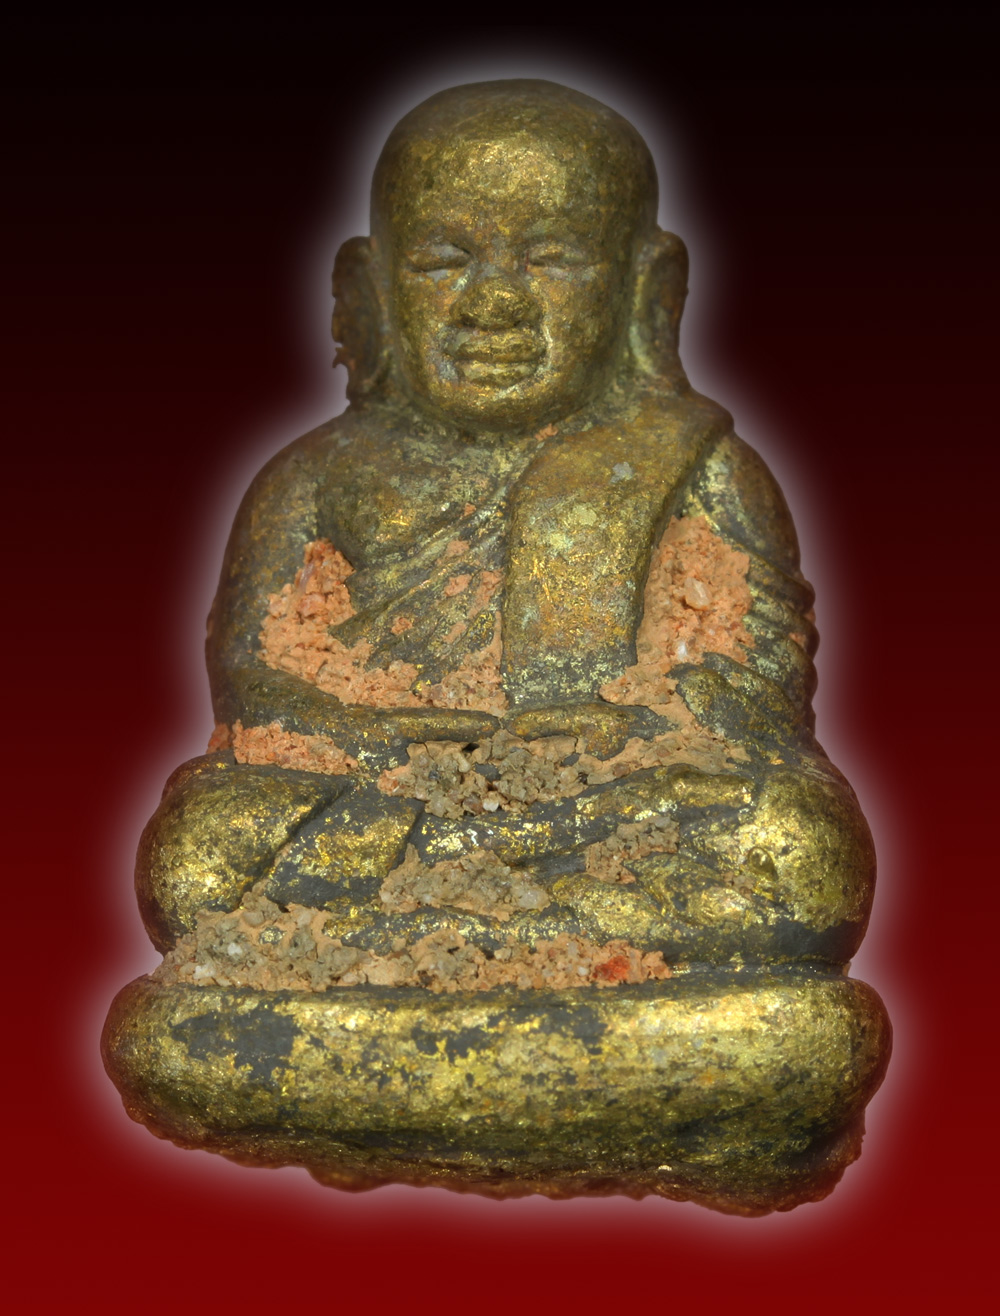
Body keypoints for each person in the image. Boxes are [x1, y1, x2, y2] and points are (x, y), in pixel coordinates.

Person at [107, 81, 888, 1212]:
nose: (495, 301)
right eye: (443, 261)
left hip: (601, 810)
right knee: (201, 852)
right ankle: (649, 1032)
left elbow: (756, 698)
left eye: (553, 257)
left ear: (647, 287)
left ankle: (418, 978)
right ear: (366, 289)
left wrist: (625, 733)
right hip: (378, 795)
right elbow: (258, 688)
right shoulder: (314, 478)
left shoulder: (697, 466)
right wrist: (389, 738)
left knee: (794, 843)